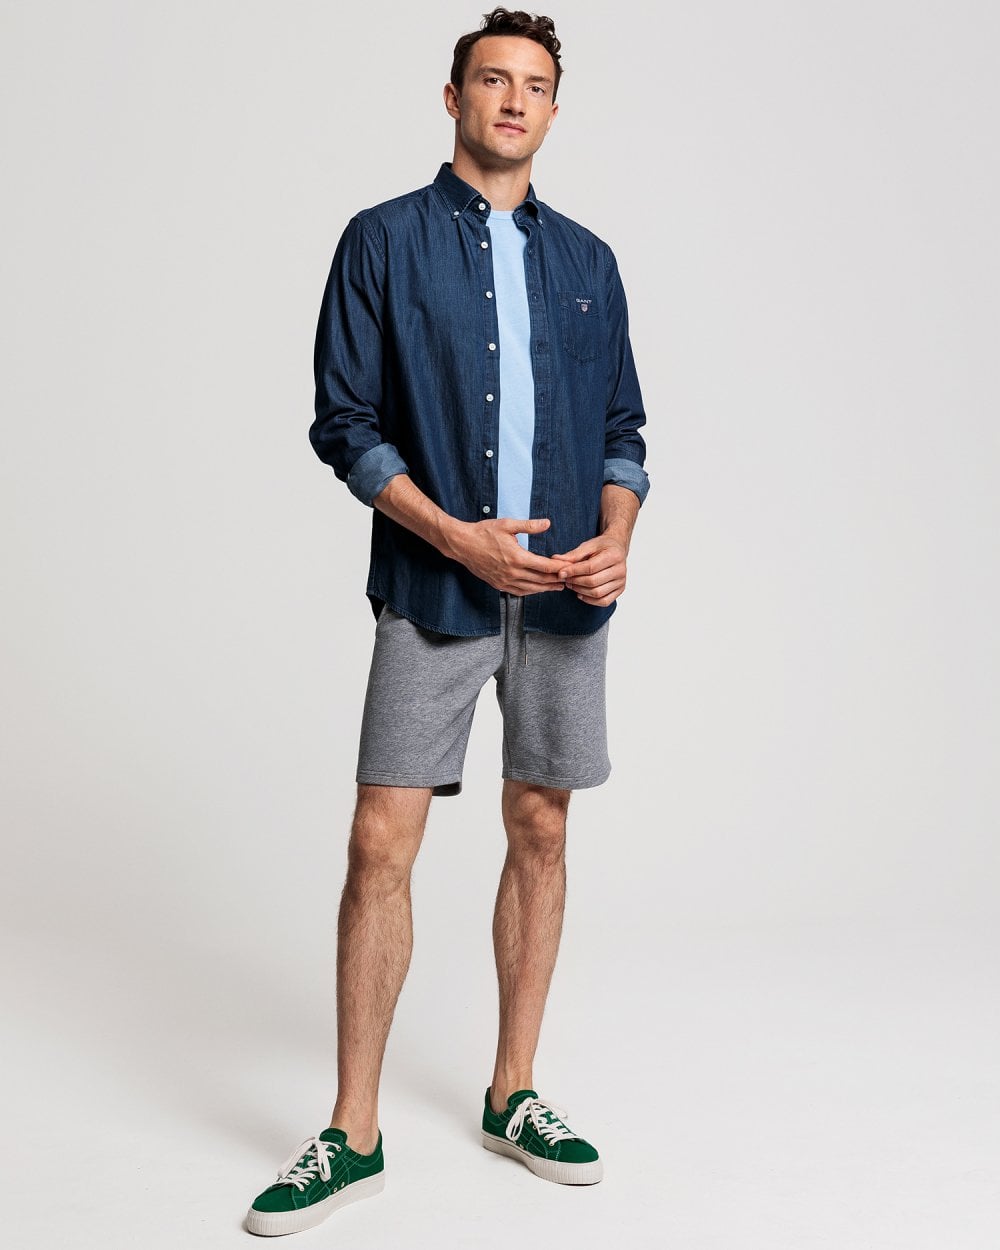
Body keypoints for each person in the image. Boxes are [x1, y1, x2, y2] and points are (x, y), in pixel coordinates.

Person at [245, 7, 650, 1237]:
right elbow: (345, 423)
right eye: (492, 79)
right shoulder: (381, 240)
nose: (512, 100)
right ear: (453, 97)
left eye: (533, 84)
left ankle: (512, 1092)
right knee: (381, 840)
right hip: (434, 591)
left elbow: (623, 431)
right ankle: (353, 1129)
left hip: (566, 597)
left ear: (553, 110)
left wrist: (619, 532)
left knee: (542, 825)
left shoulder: (589, 261)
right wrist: (454, 537)